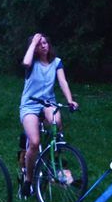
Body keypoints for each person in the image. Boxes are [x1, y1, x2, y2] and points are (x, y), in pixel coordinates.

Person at [19, 32, 76, 193]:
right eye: (39, 44)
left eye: (44, 42)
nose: (43, 45)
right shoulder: (32, 64)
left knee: (56, 123)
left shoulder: (56, 62)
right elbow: (25, 62)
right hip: (30, 104)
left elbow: (62, 81)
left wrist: (70, 100)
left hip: (47, 102)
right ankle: (29, 179)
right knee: (35, 143)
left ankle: (53, 154)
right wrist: (33, 43)